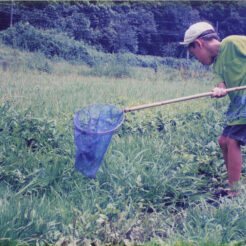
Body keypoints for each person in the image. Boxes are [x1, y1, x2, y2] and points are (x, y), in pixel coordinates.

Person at [180, 22, 246, 196]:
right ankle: (234, 182)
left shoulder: (232, 43)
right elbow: (221, 85)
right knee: (223, 141)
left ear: (200, 43)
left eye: (195, 55)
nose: (199, 61)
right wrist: (219, 90)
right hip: (238, 105)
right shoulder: (216, 65)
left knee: (232, 141)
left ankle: (234, 192)